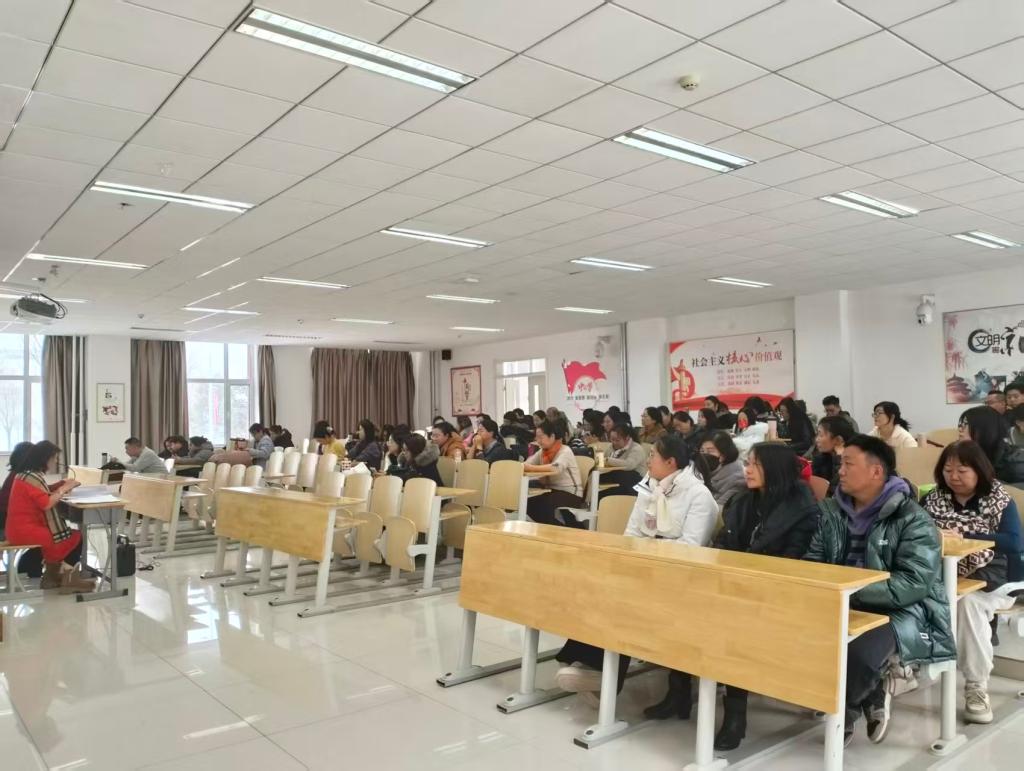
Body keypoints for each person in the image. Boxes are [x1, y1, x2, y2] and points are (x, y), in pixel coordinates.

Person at [654, 443, 820, 749]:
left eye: (755, 464)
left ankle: (735, 715)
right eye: (748, 463)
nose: (747, 470)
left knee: (733, 624)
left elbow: (793, 563)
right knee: (682, 606)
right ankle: (678, 692)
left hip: (775, 593)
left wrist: (742, 579)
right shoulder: (744, 501)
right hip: (734, 584)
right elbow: (724, 543)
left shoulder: (803, 509)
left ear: (775, 470)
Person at [805, 435, 953, 746]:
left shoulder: (912, 518)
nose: (840, 471)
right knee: (800, 640)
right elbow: (813, 562)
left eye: (848, 464)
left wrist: (852, 593)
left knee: (858, 655)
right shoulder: (830, 511)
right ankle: (871, 692)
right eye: (840, 464)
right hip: (842, 600)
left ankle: (846, 710)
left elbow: (913, 583)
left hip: (901, 609)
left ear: (876, 471)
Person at [555, 435, 718, 703]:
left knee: (624, 598)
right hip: (645, 566)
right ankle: (587, 663)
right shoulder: (649, 487)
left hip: (681, 575)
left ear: (671, 462)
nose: (648, 460)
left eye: (653, 455)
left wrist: (649, 550)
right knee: (600, 585)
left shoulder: (698, 495)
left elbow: (691, 547)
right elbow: (632, 534)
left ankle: (604, 673)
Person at [921, 440, 1023, 724]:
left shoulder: (999, 499)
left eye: (962, 470)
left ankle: (976, 686)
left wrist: (965, 536)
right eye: (948, 470)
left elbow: (1013, 542)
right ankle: (908, 669)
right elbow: (914, 529)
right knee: (914, 597)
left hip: (996, 575)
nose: (953, 477)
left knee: (967, 603)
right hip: (943, 571)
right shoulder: (934, 499)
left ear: (979, 471)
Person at [4, 441, 95, 593]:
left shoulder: (25, 475)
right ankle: (66, 579)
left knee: (68, 536)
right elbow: (46, 503)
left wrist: (61, 485)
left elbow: (42, 493)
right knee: (75, 537)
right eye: (54, 458)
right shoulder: (31, 477)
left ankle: (53, 577)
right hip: (25, 531)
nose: (56, 462)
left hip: (18, 528)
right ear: (45, 458)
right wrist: (64, 489)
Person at [524, 420, 585, 527]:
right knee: (528, 503)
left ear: (552, 436)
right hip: (551, 490)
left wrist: (531, 468)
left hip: (570, 493)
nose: (538, 441)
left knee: (546, 504)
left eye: (541, 437)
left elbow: (555, 468)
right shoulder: (542, 451)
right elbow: (528, 463)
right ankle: (557, 528)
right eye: (537, 437)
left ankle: (557, 530)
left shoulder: (565, 451)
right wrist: (520, 466)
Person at [958, 405, 1024, 485]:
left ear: (984, 429)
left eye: (965, 424)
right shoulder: (969, 452)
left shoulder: (1015, 465)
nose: (960, 429)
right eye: (961, 424)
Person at [700, 431, 746, 511]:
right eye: (702, 451)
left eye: (710, 451)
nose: (705, 455)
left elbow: (719, 511)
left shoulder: (737, 480)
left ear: (724, 454)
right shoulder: (701, 472)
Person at [814, 415, 856, 495]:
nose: (817, 439)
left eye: (821, 435)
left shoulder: (854, 461)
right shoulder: (821, 458)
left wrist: (839, 458)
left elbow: (837, 491)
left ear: (838, 440)